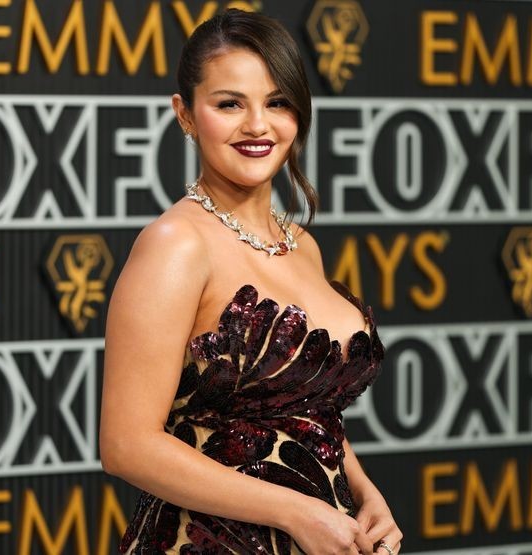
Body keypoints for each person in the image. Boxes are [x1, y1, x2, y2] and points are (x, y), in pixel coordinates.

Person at [100, 9, 400, 555]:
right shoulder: (176, 245)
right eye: (229, 104)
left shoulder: (301, 245)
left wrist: (363, 490)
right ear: (185, 114)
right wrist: (296, 511)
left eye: (277, 102)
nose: (258, 125)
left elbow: (303, 405)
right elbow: (126, 445)